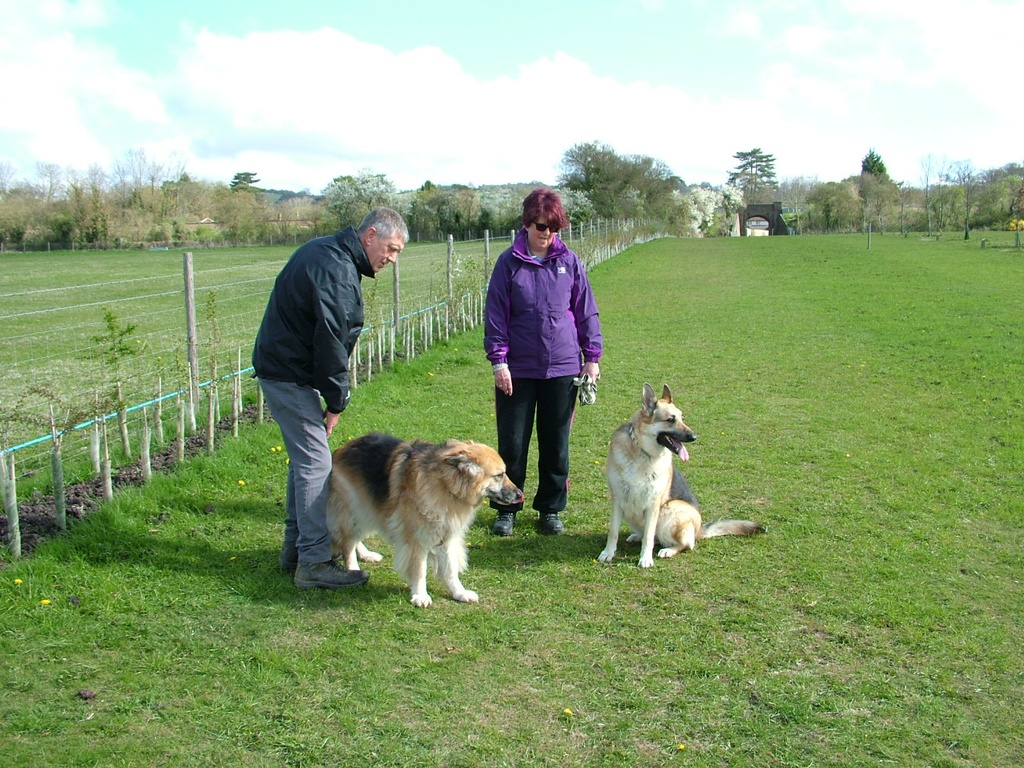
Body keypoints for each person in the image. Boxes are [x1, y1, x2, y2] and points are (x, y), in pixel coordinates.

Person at [253, 207, 408, 589]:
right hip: (287, 372)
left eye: (397, 252)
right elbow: (331, 341)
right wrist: (337, 399)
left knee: (307, 458)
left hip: (289, 367)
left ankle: (295, 549)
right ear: (370, 235)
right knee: (314, 464)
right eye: (390, 248)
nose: (391, 259)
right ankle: (314, 563)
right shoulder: (336, 269)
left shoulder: (331, 254)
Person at [484, 188, 602, 536]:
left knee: (556, 444)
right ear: (527, 223)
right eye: (541, 225)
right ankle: (507, 508)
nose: (547, 233)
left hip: (563, 367)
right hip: (517, 370)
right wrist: (498, 361)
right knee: (513, 443)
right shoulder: (508, 263)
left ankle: (550, 509)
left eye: (553, 226)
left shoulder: (570, 263)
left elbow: (586, 312)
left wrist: (591, 358)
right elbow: (495, 315)